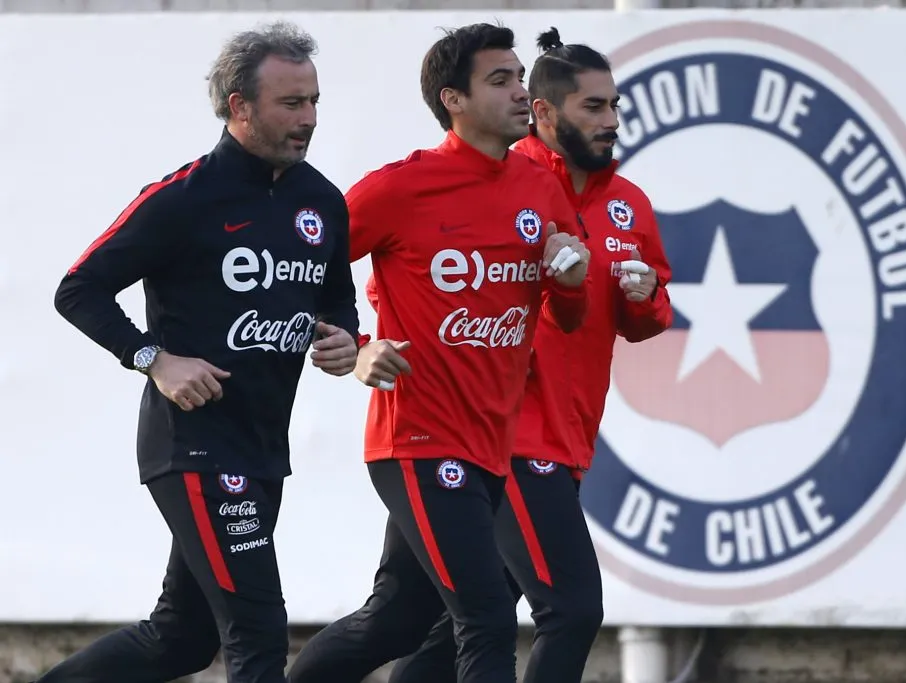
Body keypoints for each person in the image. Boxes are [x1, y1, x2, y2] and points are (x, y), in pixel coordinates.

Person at [38, 21, 360, 683]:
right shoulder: (184, 197)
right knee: (259, 628)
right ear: (240, 106)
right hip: (193, 444)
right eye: (292, 103)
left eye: (315, 101)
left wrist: (342, 338)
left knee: (180, 638)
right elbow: (79, 288)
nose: (310, 118)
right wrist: (153, 357)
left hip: (263, 444)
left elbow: (338, 301)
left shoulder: (321, 201)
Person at [285, 22, 591, 683]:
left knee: (395, 620)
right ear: (454, 99)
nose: (521, 92)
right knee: (486, 617)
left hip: (491, 445)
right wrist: (358, 347)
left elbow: (567, 315)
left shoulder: (540, 188)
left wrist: (569, 282)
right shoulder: (402, 186)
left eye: (521, 77)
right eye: (501, 79)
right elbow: (297, 270)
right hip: (419, 441)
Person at [386, 27, 674, 683]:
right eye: (593, 107)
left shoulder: (628, 204)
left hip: (565, 435)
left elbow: (647, 319)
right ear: (543, 112)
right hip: (505, 432)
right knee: (569, 609)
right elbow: (404, 268)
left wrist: (646, 292)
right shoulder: (505, 184)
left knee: (423, 629)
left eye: (614, 106)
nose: (612, 122)